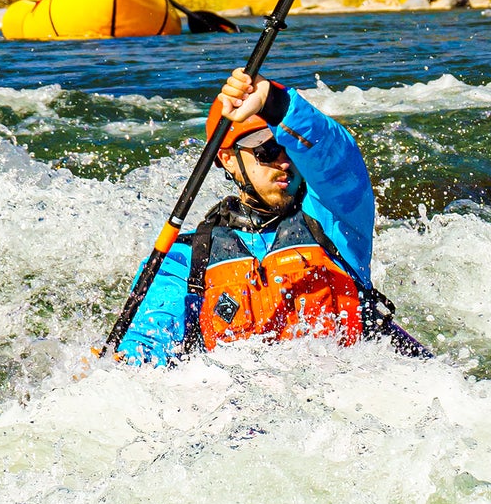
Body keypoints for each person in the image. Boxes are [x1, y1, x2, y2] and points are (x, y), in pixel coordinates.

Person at [115, 68, 426, 363]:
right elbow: (149, 338)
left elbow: (337, 159)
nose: (284, 163)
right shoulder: (188, 257)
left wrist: (275, 103)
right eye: (266, 151)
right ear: (228, 160)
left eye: (288, 150)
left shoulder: (334, 220)